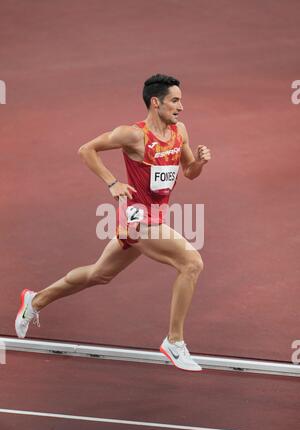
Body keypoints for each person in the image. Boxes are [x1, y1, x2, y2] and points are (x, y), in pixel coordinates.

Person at [15, 74, 211, 372]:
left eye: (181, 100)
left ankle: (35, 301)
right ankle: (174, 341)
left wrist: (199, 162)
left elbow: (189, 172)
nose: (181, 107)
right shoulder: (133, 135)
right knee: (191, 263)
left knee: (99, 274)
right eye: (174, 101)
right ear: (155, 102)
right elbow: (86, 150)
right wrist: (112, 183)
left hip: (156, 216)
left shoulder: (179, 131)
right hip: (137, 218)